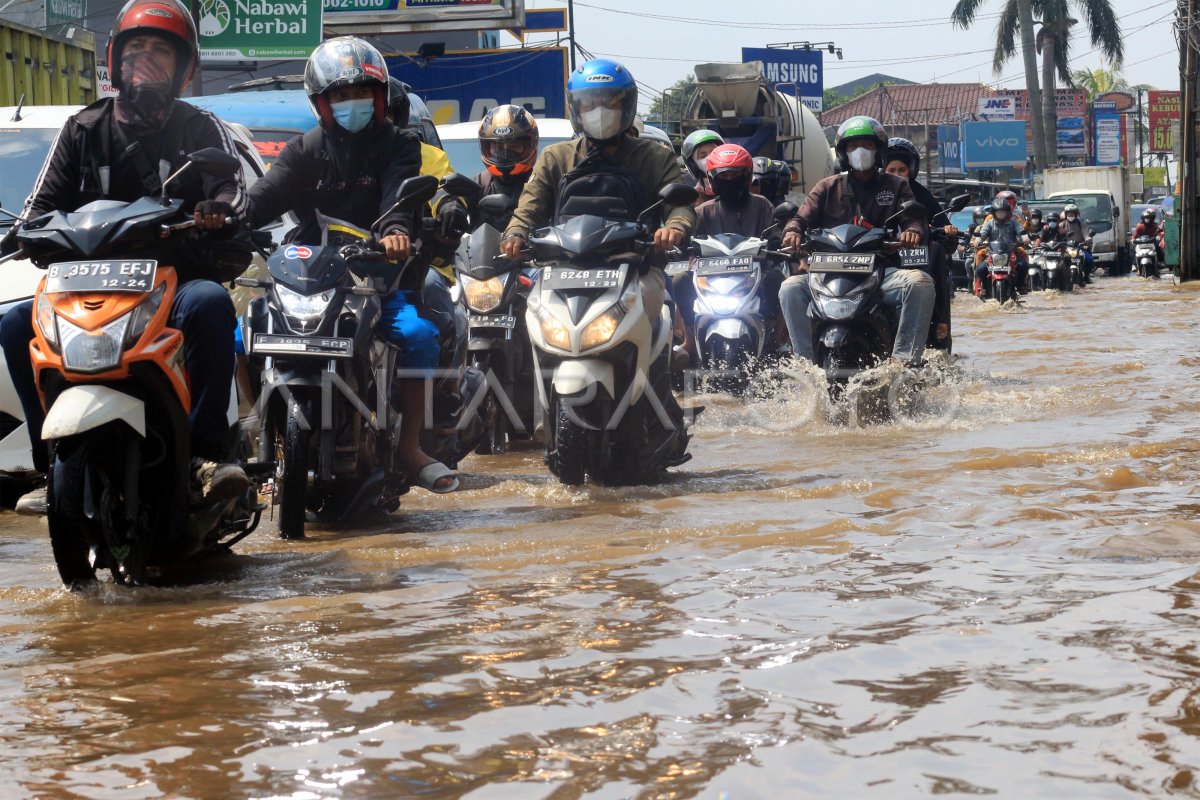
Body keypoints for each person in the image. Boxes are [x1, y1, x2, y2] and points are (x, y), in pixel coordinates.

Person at [0, 0, 251, 515]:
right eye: (136, 47)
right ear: (115, 60)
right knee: (13, 323)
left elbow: (233, 193)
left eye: (161, 50)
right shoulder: (83, 128)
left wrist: (215, 213)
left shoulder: (200, 130)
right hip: (87, 286)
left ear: (183, 68)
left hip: (171, 282)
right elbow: (40, 206)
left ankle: (205, 456)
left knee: (209, 305)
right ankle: (49, 465)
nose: (146, 58)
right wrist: (29, 234)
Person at [244, 36, 457, 493]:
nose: (351, 103)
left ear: (379, 98)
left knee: (419, 336)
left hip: (375, 278)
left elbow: (399, 195)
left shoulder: (399, 144)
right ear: (321, 103)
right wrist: (230, 218)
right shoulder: (304, 149)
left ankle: (410, 447)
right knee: (244, 326)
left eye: (361, 94)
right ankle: (255, 439)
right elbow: (266, 195)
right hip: (309, 275)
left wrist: (397, 232)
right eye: (340, 96)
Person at [499, 58, 695, 329]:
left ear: (626, 106)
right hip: (564, 272)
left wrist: (675, 226)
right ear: (576, 108)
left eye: (610, 102)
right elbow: (529, 207)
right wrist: (516, 233)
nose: (599, 111)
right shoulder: (555, 157)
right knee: (527, 318)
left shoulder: (655, 157)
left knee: (658, 316)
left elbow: (679, 206)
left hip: (637, 269)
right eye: (589, 103)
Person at [779, 116, 931, 367]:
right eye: (852, 146)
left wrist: (912, 231)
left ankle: (904, 360)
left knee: (920, 283)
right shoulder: (826, 187)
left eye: (867, 145)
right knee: (790, 288)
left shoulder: (895, 186)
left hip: (880, 272)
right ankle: (804, 363)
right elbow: (800, 218)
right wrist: (793, 231)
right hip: (826, 274)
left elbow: (912, 219)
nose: (860, 151)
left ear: (879, 150)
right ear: (842, 152)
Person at [672, 144, 783, 364]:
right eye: (724, 175)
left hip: (754, 278)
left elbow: (776, 238)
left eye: (735, 175)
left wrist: (776, 249)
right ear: (713, 179)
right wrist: (680, 250)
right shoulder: (702, 212)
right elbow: (687, 245)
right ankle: (691, 342)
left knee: (778, 278)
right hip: (711, 281)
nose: (729, 180)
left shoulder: (763, 206)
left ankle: (774, 338)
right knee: (679, 280)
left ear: (747, 176)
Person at [882, 137, 955, 344]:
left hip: (920, 260)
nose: (896, 176)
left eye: (901, 170)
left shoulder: (924, 197)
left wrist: (948, 232)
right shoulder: (875, 194)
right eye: (891, 170)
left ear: (912, 170)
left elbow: (947, 237)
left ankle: (940, 325)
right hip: (881, 259)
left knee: (936, 252)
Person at [473, 103, 539, 231]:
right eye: (497, 147)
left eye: (514, 146)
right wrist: (451, 207)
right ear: (486, 147)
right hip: (481, 250)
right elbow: (455, 197)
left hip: (536, 250)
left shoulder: (542, 183)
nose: (505, 153)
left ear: (532, 144)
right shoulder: (479, 185)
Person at [972, 198, 1028, 298]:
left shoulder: (1013, 222)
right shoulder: (989, 223)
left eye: (1003, 212)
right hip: (993, 253)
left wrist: (1025, 238)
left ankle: (1020, 286)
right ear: (994, 213)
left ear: (1007, 212)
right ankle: (984, 287)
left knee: (1023, 265)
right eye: (998, 212)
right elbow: (982, 233)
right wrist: (977, 241)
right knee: (980, 269)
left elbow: (1021, 230)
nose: (1001, 214)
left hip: (1011, 253)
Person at [681, 129, 725, 206]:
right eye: (703, 156)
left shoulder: (742, 186)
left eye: (714, 152)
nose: (710, 157)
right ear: (692, 165)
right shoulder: (693, 199)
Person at [1060, 202, 1093, 282]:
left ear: (1076, 214)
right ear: (1066, 214)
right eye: (1069, 213)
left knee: (1089, 259)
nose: (1071, 215)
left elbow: (1086, 233)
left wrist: (1087, 239)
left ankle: (1086, 276)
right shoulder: (1062, 225)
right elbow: (1058, 236)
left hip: (1079, 246)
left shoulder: (1081, 223)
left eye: (1072, 213)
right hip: (1066, 247)